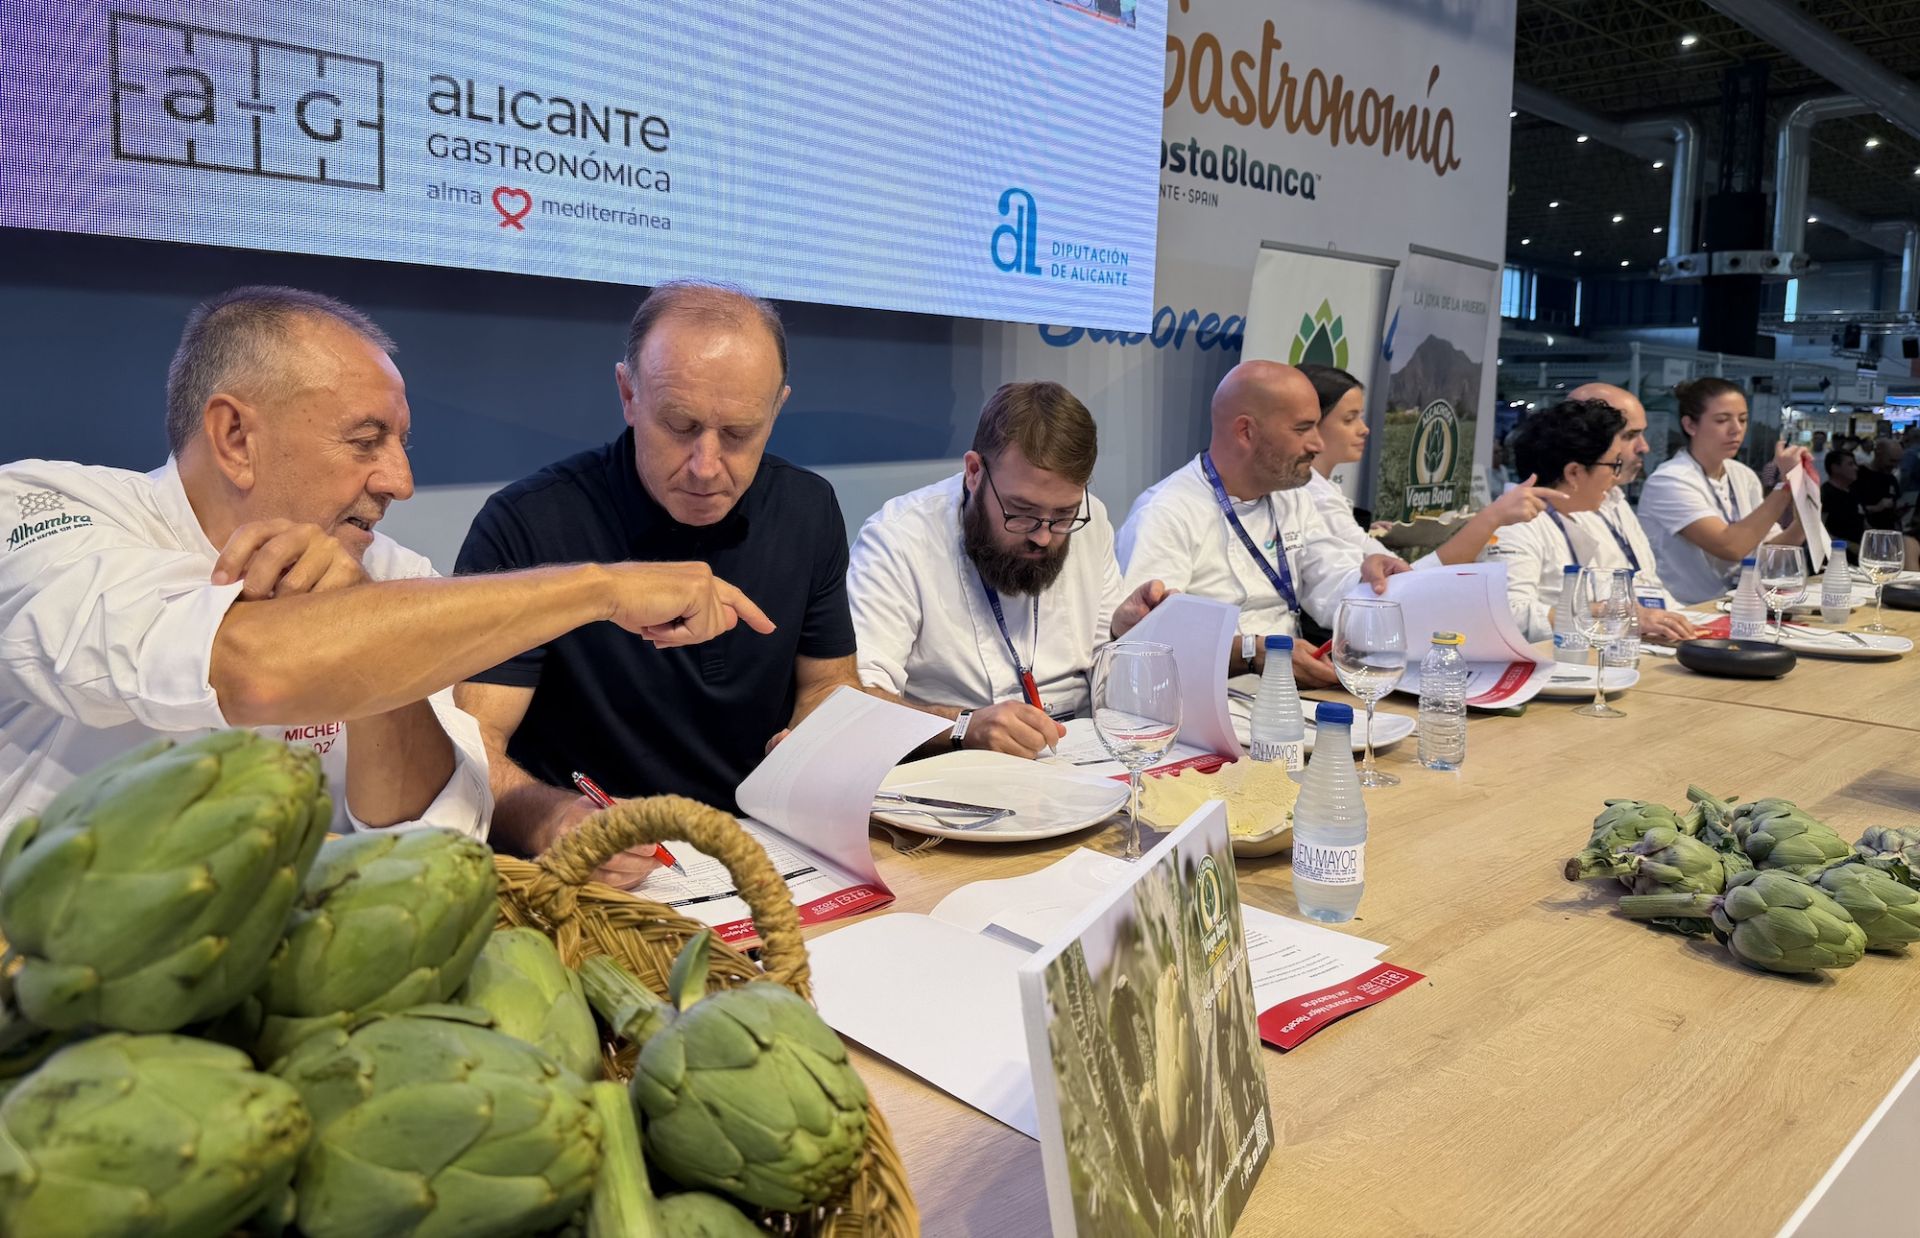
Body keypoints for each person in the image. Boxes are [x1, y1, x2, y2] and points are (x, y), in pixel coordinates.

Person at [0, 286, 767, 841]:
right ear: (235, 437)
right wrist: (599, 588)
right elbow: (243, 667)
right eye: (365, 442)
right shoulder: (45, 511)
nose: (399, 481)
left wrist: (363, 630)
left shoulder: (390, 572)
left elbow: (436, 828)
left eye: (401, 444)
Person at [453, 281, 854, 884]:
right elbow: (471, 741)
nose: (706, 466)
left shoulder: (809, 508)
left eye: (740, 433)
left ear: (777, 409)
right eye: (679, 424)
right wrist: (554, 818)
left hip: (763, 856)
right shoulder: (527, 526)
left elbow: (828, 682)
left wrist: (811, 747)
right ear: (628, 395)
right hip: (594, 874)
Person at [846, 382, 1167, 759]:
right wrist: (964, 726)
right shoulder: (899, 538)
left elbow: (1103, 678)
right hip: (949, 767)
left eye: (1063, 515)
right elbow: (857, 702)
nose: (1044, 537)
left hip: (1078, 757)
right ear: (974, 472)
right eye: (1022, 512)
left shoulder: (1091, 521)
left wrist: (1119, 636)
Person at [1116, 361, 1406, 690]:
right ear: (1246, 432)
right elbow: (1146, 643)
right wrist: (1254, 653)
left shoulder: (1292, 498)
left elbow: (1330, 586)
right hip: (1211, 710)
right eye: (1302, 429)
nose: (1318, 444)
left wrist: (1371, 582)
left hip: (1297, 697)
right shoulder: (1167, 513)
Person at [1297, 364, 1568, 569]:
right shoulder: (1312, 496)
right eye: (1349, 419)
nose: (1364, 430)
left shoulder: (1321, 491)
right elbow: (1404, 581)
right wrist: (1492, 518)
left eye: (1361, 418)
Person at [1482, 400, 1675, 642]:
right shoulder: (1514, 524)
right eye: (1614, 464)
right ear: (1574, 473)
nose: (1615, 477)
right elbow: (1509, 615)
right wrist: (1608, 613)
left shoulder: (1579, 511)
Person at [1637, 378, 1810, 605]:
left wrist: (1807, 504)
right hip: (1687, 612)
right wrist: (1784, 486)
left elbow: (1771, 551)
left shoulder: (1742, 474)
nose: (1736, 430)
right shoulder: (1669, 480)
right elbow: (1730, 547)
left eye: (1743, 419)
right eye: (1722, 420)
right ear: (1690, 425)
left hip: (1740, 606)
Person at [1560, 383, 1700, 643]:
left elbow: (1648, 586)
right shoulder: (1546, 513)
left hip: (1639, 639)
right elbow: (1521, 616)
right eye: (1629, 435)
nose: (1644, 447)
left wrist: (1682, 621)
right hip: (1591, 649)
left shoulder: (1616, 500)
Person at [1821, 450, 1867, 554]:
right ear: (1835, 468)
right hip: (1837, 555)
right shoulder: (1825, 494)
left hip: (1859, 554)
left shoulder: (1854, 492)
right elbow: (1820, 529)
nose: (1856, 468)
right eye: (1850, 464)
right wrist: (1848, 545)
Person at [1856, 438, 1902, 531]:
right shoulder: (1858, 475)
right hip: (1864, 533)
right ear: (1878, 454)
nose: (1894, 465)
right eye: (1891, 461)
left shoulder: (1891, 478)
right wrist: (1875, 508)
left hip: (1888, 531)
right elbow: (1849, 509)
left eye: (1897, 461)